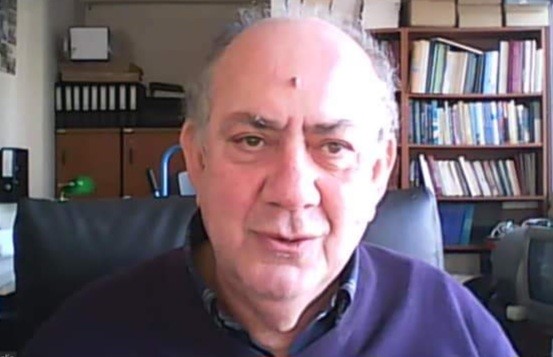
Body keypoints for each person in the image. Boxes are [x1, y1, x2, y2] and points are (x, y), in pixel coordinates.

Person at [23, 5, 516, 357]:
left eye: (334, 147)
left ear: (376, 173)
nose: (291, 191)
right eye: (251, 141)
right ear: (196, 157)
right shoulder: (82, 337)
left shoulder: (456, 328)